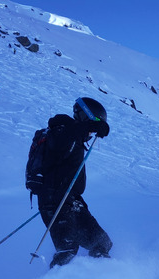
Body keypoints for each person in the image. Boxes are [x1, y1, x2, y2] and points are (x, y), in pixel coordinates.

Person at [29, 97, 112, 268]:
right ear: (85, 116)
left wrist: (88, 128)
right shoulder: (62, 130)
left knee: (102, 242)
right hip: (53, 199)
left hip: (71, 200)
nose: (91, 133)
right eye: (95, 122)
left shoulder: (75, 136)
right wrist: (89, 126)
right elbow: (60, 143)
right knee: (67, 250)